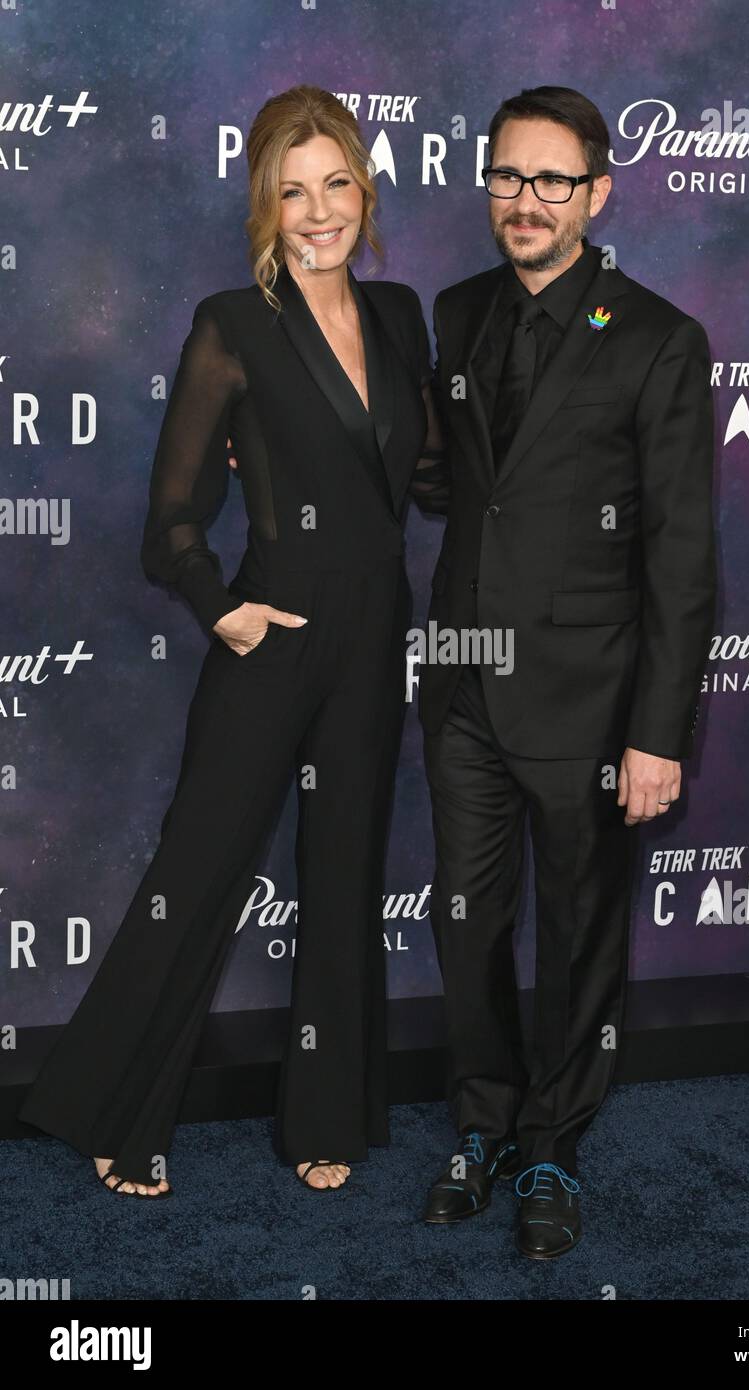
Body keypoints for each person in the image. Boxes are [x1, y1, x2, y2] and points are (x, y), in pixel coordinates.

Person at [17, 84, 447, 1198]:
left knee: (346, 873)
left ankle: (328, 1119)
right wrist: (225, 609)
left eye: (335, 184)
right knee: (196, 872)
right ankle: (115, 1112)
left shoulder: (402, 315)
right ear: (264, 204)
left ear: (365, 187)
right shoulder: (232, 322)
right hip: (271, 635)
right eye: (291, 192)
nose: (317, 212)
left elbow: (431, 474)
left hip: (373, 642)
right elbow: (168, 521)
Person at [419, 86, 717, 1257]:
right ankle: (483, 1121)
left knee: (581, 930)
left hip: (591, 705)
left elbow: (680, 558)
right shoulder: (454, 314)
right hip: (462, 690)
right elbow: (450, 487)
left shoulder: (657, 337)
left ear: (597, 191)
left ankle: (554, 1141)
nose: (524, 201)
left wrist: (659, 731)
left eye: (550, 180)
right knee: (468, 925)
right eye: (506, 176)